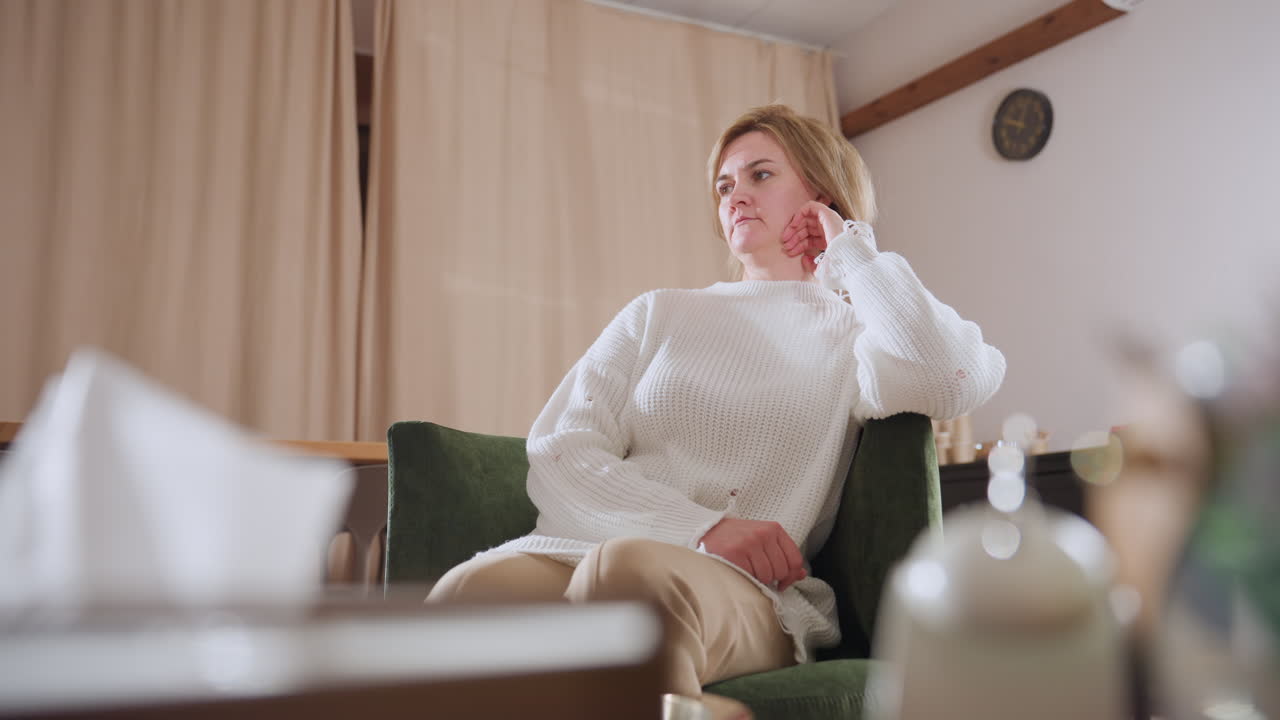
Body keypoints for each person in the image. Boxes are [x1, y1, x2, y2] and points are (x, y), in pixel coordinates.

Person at [427, 104, 1006, 711]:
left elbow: (952, 379)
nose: (734, 196)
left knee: (627, 576)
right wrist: (701, 528)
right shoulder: (659, 312)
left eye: (760, 175)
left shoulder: (858, 331)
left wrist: (852, 254)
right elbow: (562, 450)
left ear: (823, 195)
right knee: (469, 594)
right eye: (724, 185)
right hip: (588, 550)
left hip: (749, 592)